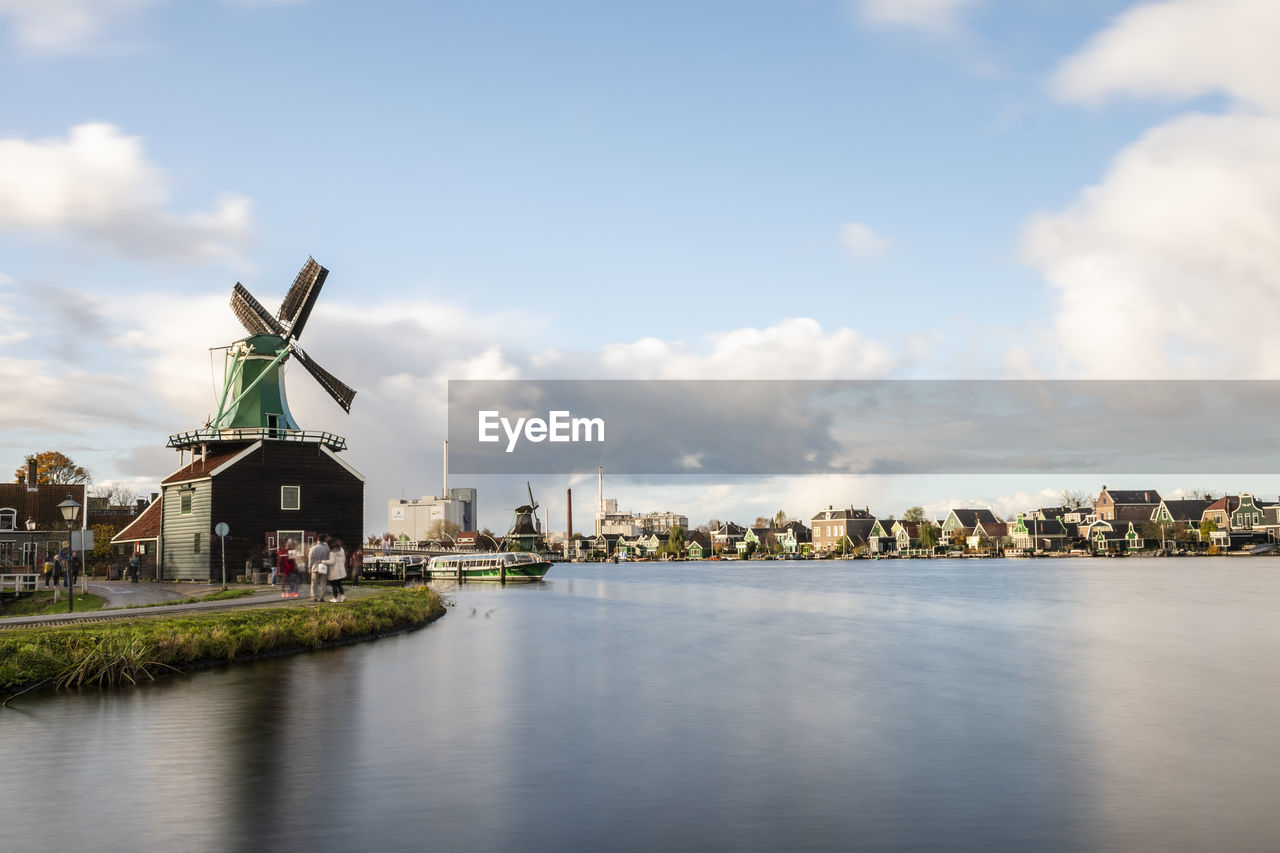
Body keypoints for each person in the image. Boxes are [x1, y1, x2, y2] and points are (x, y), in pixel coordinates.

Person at [308, 535, 331, 602]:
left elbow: (310, 559)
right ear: (324, 540)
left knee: (314, 583)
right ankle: (322, 597)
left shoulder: (313, 548)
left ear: (317, 540)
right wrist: (328, 569)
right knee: (323, 583)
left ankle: (314, 597)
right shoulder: (327, 549)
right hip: (324, 567)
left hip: (315, 567)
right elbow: (328, 559)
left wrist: (309, 567)